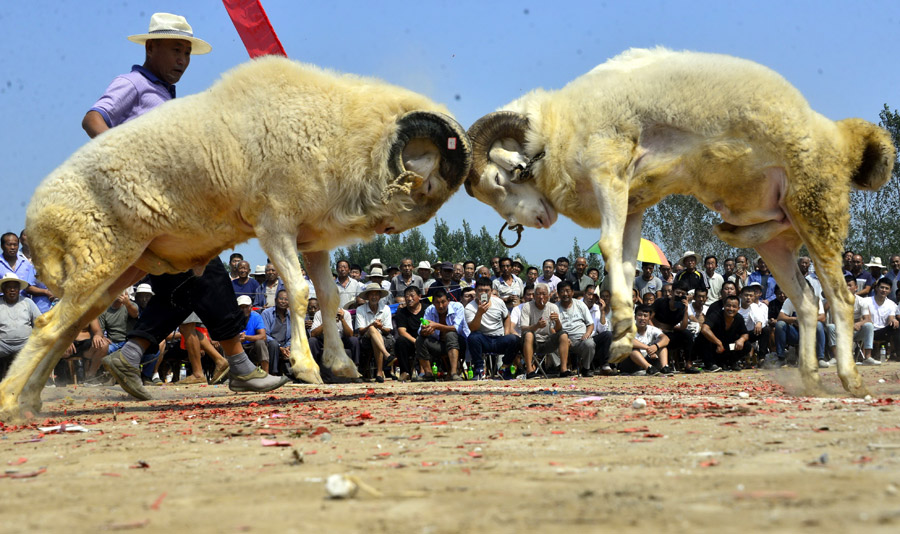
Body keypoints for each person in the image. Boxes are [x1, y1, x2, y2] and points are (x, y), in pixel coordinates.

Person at [94, 14, 287, 399]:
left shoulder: (164, 92)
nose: (183, 59)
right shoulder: (134, 83)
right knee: (207, 271)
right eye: (175, 49)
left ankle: (130, 354)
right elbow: (94, 119)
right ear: (151, 48)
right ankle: (241, 367)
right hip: (149, 209)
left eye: (187, 51)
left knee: (182, 288)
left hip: (164, 208)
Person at [465, 277, 519, 379]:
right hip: (483, 339)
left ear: (491, 291)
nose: (483, 293)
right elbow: (473, 328)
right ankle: (479, 369)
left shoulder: (498, 302)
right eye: (480, 290)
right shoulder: (469, 307)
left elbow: (507, 317)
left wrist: (506, 333)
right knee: (473, 337)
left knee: (514, 339)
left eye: (486, 291)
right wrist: (479, 313)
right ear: (475, 291)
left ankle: (504, 368)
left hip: (499, 338)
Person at [417, 288, 469, 380]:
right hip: (440, 345)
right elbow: (420, 330)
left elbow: (457, 328)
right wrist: (424, 330)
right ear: (433, 303)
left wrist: (436, 326)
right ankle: (428, 374)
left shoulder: (458, 307)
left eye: (443, 302)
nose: (441, 306)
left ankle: (454, 373)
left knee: (451, 334)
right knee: (420, 339)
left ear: (448, 301)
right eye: (437, 303)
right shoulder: (430, 310)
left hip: (460, 344)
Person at [826, 277, 876, 366]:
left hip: (857, 331)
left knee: (869, 325)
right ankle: (836, 358)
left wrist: (859, 323)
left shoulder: (861, 301)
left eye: (849, 285)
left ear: (856, 287)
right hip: (842, 331)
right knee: (831, 327)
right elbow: (835, 320)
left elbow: (867, 319)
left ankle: (868, 357)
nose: (847, 288)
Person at [774, 284, 827, 367]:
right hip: (796, 333)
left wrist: (806, 320)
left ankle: (820, 358)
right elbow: (780, 317)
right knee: (780, 324)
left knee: (819, 325)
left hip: (810, 333)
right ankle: (781, 358)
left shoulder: (816, 300)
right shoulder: (790, 300)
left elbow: (822, 317)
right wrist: (794, 319)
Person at [519, 283, 566, 379]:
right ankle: (529, 370)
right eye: (538, 294)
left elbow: (558, 330)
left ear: (548, 296)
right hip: (532, 342)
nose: (541, 297)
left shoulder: (553, 307)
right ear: (534, 296)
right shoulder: (527, 306)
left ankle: (563, 369)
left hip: (547, 341)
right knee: (528, 335)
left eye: (544, 294)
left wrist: (557, 321)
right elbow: (523, 328)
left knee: (563, 335)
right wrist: (536, 326)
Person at [0, 273, 41, 380]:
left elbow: (40, 323)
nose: (12, 290)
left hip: (25, 344)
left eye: (15, 287)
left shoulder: (28, 302)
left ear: (19, 289)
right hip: (3, 345)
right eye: (9, 287)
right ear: (3, 290)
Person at [652, 280, 699, 373]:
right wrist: (656, 329)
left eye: (683, 293)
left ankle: (688, 365)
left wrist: (686, 310)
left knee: (687, 335)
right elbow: (649, 318)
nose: (680, 295)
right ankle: (664, 365)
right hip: (656, 332)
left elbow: (683, 327)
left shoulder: (682, 308)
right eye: (678, 292)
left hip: (670, 333)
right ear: (672, 292)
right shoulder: (660, 302)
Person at [355, 283, 394, 383]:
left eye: (376, 294)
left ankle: (379, 373)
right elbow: (360, 330)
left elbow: (388, 330)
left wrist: (380, 327)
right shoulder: (360, 309)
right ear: (367, 297)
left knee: (376, 338)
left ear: (380, 296)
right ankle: (386, 355)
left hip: (383, 338)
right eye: (371, 294)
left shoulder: (386, 308)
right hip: (365, 339)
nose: (374, 297)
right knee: (372, 329)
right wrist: (371, 325)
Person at [700, 295, 750, 372]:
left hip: (727, 347)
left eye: (734, 307)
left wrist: (742, 339)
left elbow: (745, 333)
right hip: (714, 347)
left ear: (738, 308)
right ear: (724, 306)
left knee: (746, 345)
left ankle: (731, 362)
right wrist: (718, 342)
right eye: (728, 306)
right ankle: (710, 364)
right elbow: (704, 329)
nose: (731, 309)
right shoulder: (716, 315)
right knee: (703, 337)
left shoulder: (739, 318)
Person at [556, 281, 595, 377]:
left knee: (590, 343)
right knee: (549, 342)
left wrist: (587, 334)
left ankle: (586, 368)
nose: (565, 294)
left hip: (579, 340)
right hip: (561, 339)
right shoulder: (554, 307)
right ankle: (560, 368)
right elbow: (551, 328)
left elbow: (590, 324)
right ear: (558, 294)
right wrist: (564, 339)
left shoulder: (580, 305)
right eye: (562, 291)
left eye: (567, 291)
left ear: (572, 292)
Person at [619, 305, 670, 375]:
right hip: (630, 363)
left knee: (662, 346)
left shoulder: (652, 329)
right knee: (631, 349)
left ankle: (665, 368)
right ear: (635, 317)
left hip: (648, 359)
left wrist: (656, 347)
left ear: (649, 318)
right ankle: (649, 368)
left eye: (645, 316)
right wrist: (648, 348)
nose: (642, 318)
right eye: (639, 315)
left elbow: (666, 339)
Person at [395, 286, 426, 381]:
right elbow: (402, 331)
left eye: (412, 296)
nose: (409, 299)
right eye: (406, 296)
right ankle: (405, 371)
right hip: (410, 340)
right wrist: (415, 341)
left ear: (419, 296)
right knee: (400, 341)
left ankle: (425, 371)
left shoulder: (427, 309)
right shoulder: (401, 312)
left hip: (425, 338)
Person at [868, 277, 900, 360]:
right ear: (876, 288)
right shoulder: (866, 301)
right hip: (868, 330)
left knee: (897, 326)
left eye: (887, 288)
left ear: (889, 291)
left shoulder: (892, 304)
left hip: (883, 332)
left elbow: (891, 319)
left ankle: (897, 355)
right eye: (882, 287)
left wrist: (893, 320)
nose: (884, 290)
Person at [237, 296, 272, 373]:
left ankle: (266, 373)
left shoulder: (256, 316)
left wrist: (246, 337)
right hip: (237, 345)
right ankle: (227, 374)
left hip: (252, 346)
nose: (244, 310)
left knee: (260, 342)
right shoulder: (233, 318)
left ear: (251, 307)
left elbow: (263, 336)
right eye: (241, 307)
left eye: (246, 307)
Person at [261, 289, 292, 376]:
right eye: (281, 299)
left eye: (286, 299)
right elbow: (265, 334)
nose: (283, 302)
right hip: (270, 344)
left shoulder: (291, 315)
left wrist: (287, 347)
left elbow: (292, 336)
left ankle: (297, 375)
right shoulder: (267, 313)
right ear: (275, 300)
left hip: (286, 345)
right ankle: (273, 373)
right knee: (274, 344)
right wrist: (279, 347)